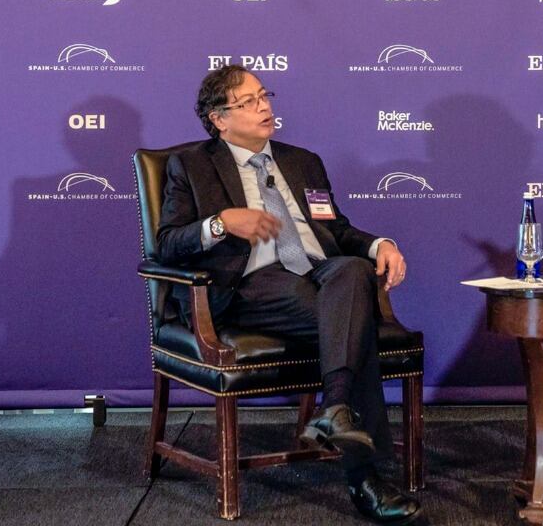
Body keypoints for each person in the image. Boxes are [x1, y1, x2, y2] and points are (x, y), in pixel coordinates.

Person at [155, 64, 421, 524]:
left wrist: (382, 244)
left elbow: (335, 228)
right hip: (250, 285)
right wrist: (221, 223)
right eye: (249, 102)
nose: (265, 107)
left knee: (354, 270)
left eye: (264, 95)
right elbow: (167, 244)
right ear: (219, 119)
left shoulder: (302, 161)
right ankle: (364, 478)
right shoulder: (192, 166)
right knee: (355, 321)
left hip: (321, 274)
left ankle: (335, 406)